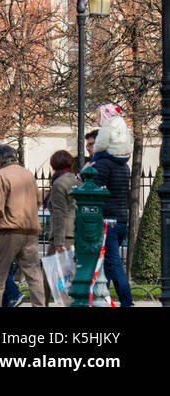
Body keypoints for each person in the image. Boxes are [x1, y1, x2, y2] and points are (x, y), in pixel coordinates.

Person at [0, 144, 46, 307]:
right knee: (34, 275)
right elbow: (38, 201)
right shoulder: (28, 175)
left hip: (10, 230)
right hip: (31, 231)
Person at [91, 104, 134, 308]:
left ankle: (127, 303)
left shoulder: (102, 164)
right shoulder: (123, 165)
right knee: (108, 265)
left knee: (112, 265)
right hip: (121, 219)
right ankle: (102, 299)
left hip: (107, 221)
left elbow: (94, 193)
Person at [44, 150, 79, 254]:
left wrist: (59, 242)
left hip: (63, 236)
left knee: (54, 270)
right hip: (76, 233)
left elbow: (59, 212)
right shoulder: (78, 182)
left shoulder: (59, 183)